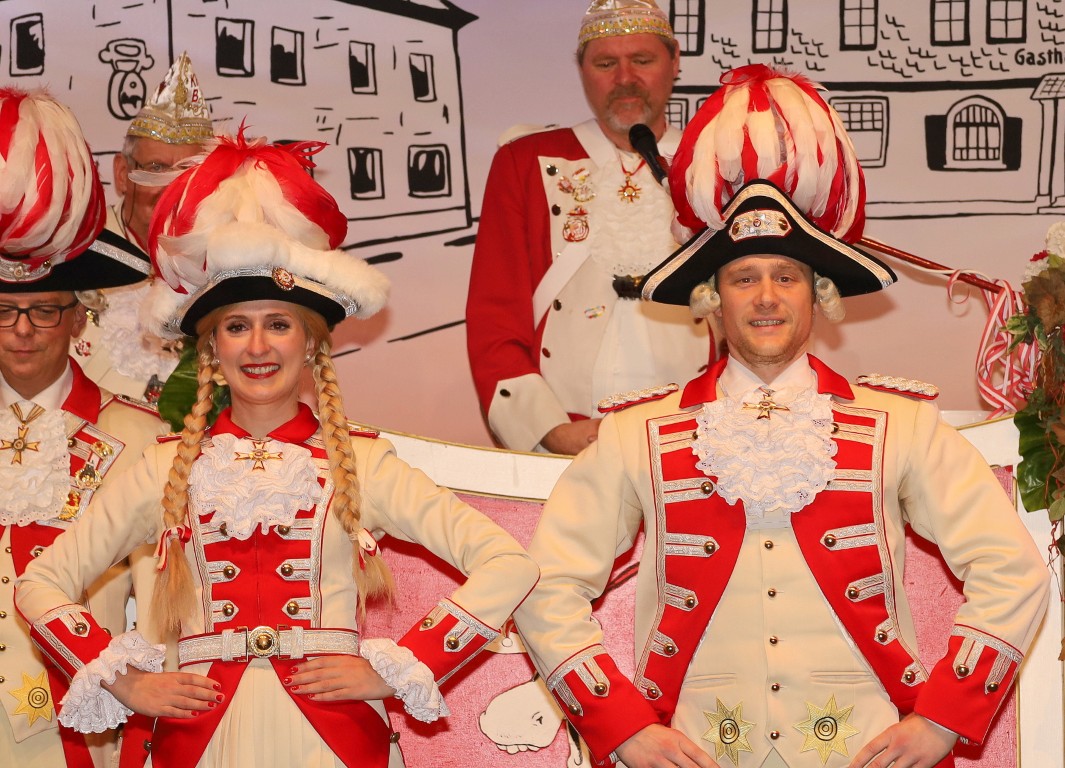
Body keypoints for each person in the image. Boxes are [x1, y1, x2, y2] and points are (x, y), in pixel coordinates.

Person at [513, 65, 1051, 768]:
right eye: (743, 278)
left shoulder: (902, 425)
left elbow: (1012, 569)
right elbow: (546, 583)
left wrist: (942, 720)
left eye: (786, 277)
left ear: (818, 294)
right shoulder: (633, 433)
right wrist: (624, 727)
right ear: (711, 299)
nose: (765, 296)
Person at [15, 130, 539, 768]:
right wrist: (125, 681)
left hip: (334, 741)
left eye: (279, 325)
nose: (258, 347)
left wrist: (400, 666)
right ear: (212, 348)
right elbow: (41, 581)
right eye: (237, 327)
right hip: (200, 739)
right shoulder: (163, 467)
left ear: (310, 343)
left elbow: (509, 564)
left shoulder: (363, 463)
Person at [0, 89, 166, 767]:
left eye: (43, 311)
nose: (22, 330)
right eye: (4, 310)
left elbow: (159, 616)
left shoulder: (139, 440)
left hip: (78, 733)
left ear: (76, 318)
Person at [466, 0, 712, 455]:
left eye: (642, 60)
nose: (624, 78)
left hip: (697, 436)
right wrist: (548, 430)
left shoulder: (716, 164)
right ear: (581, 69)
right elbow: (495, 316)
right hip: (566, 436)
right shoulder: (523, 161)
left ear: (674, 60)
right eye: (605, 64)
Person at [73, 52, 213, 403]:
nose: (171, 188)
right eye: (156, 168)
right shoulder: (74, 254)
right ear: (122, 174)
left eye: (188, 173)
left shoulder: (226, 263)